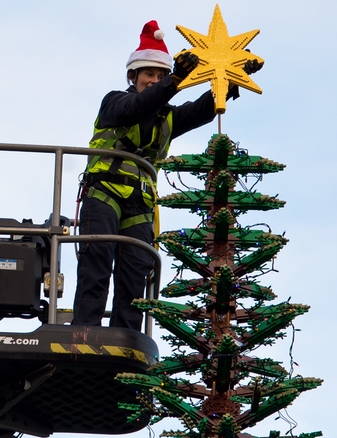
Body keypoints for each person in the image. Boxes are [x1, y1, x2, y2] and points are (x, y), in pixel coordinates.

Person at [71, 20, 262, 330]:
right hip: (104, 194)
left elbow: (203, 108)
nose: (154, 81)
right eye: (149, 74)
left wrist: (230, 78)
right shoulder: (114, 102)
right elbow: (138, 107)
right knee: (98, 262)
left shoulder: (168, 117)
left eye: (160, 76)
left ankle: (126, 339)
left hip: (140, 204)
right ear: (133, 76)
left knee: (136, 273)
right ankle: (84, 333)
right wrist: (174, 79)